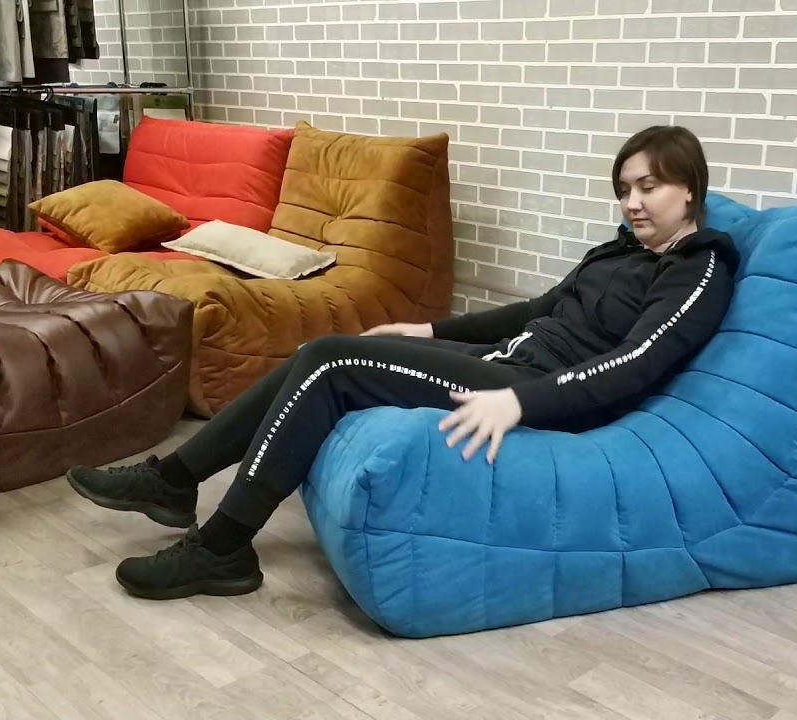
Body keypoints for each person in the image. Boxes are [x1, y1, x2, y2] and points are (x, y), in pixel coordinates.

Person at [66, 125, 742, 601]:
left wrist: (521, 401)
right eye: (624, 188)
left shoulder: (699, 266)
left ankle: (221, 547)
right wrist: (429, 328)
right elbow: (535, 310)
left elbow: (637, 362)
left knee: (332, 365)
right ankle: (174, 481)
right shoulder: (618, 252)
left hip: (538, 391)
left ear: (689, 190)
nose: (632, 202)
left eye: (648, 187)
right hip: (504, 361)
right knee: (316, 352)